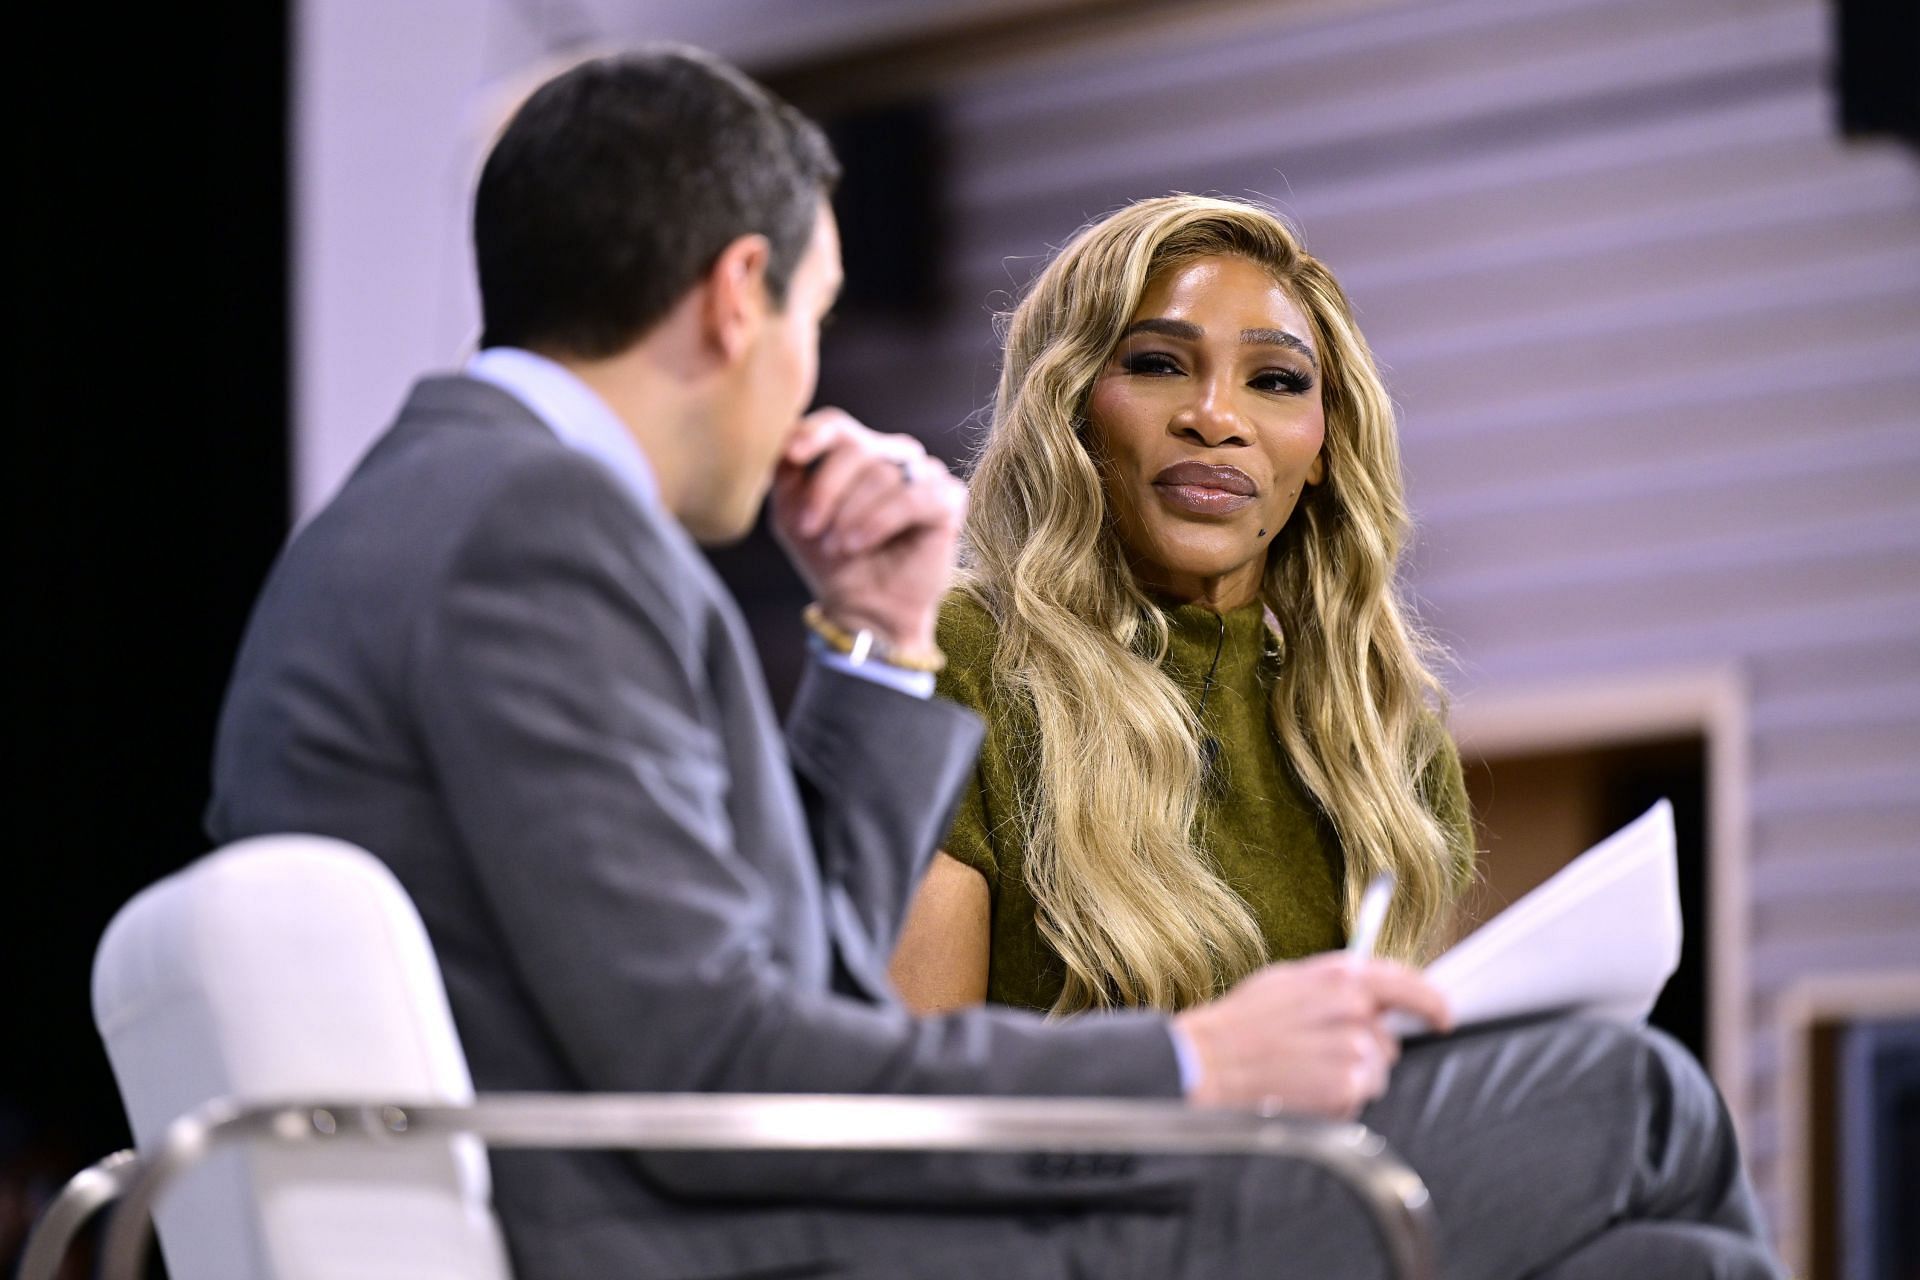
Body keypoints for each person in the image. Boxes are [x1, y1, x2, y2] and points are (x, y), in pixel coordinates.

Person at [205, 43, 1771, 1279]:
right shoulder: (534, 535)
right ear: (742, 294)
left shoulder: (445, 509)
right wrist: (1198, 1063)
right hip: (790, 1245)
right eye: (818, 312)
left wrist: (879, 648)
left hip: (771, 1213)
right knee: (1638, 1094)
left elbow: (753, 986)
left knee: (1671, 1261)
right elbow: (727, 1059)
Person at [891, 194, 1785, 1277]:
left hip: (1316, 1208)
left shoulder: (1377, 729)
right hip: (1073, 1236)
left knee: (1686, 1262)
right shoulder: (959, 652)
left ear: (1320, 450)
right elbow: (909, 1106)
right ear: (1073, 405)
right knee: (1643, 1088)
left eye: (1275, 380)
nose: (1217, 416)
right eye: (1162, 364)